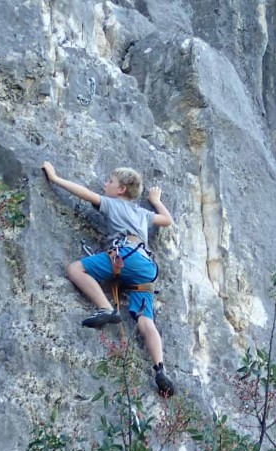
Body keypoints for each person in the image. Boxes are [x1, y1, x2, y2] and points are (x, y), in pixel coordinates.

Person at [42, 161, 176, 397]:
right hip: (146, 267)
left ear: (121, 189)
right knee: (146, 321)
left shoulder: (112, 204)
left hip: (124, 257)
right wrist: (156, 201)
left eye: (110, 182)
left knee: (75, 269)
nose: (106, 184)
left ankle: (105, 308)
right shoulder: (143, 214)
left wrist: (55, 178)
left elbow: (84, 194)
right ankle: (160, 369)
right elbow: (166, 220)